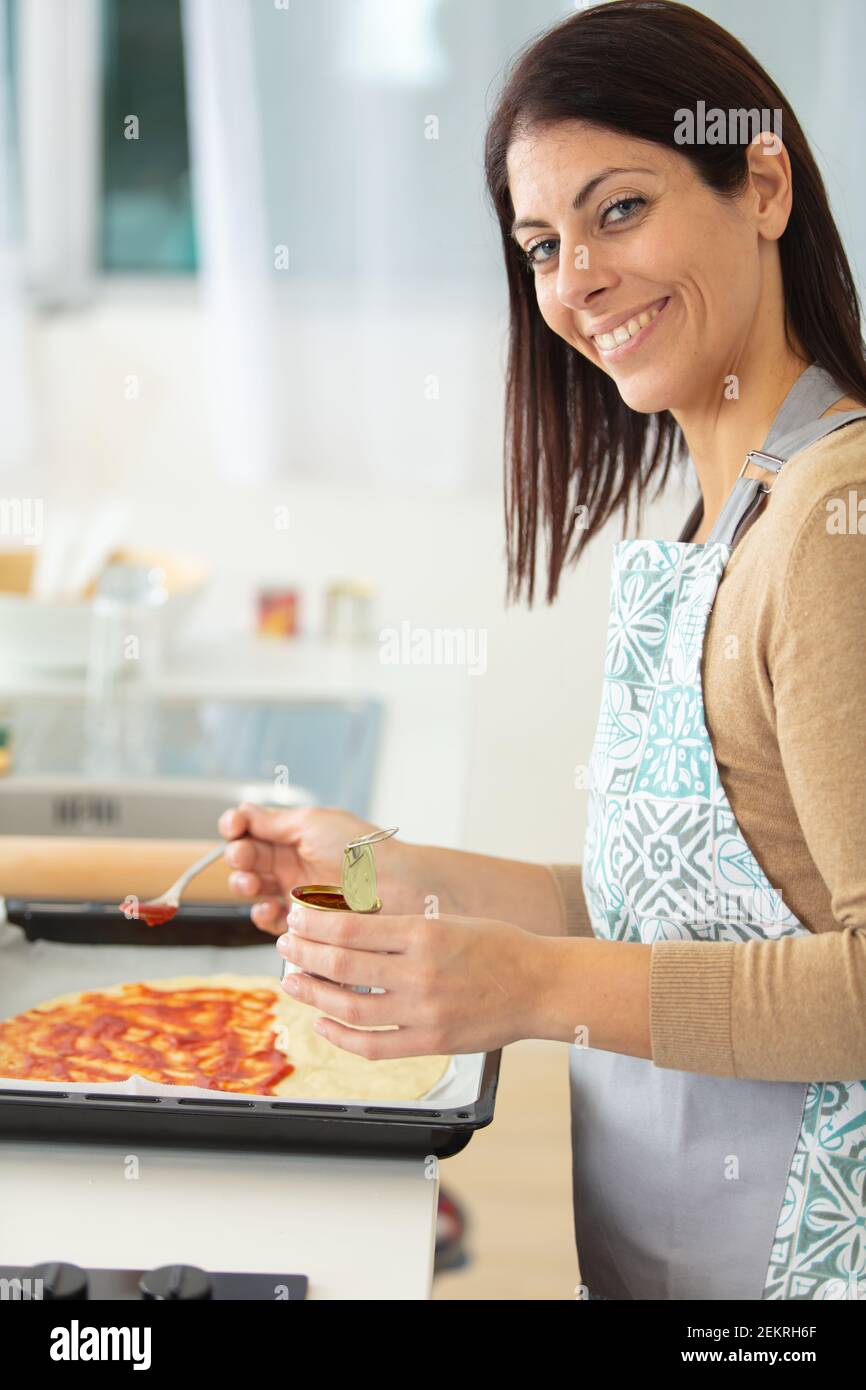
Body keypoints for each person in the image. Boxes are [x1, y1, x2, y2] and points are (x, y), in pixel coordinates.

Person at [220, 1, 866, 1301]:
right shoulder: (717, 518)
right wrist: (385, 872)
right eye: (538, 245)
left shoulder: (830, 529)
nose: (573, 278)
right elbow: (675, 913)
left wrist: (526, 987)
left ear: (760, 182)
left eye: (616, 209)